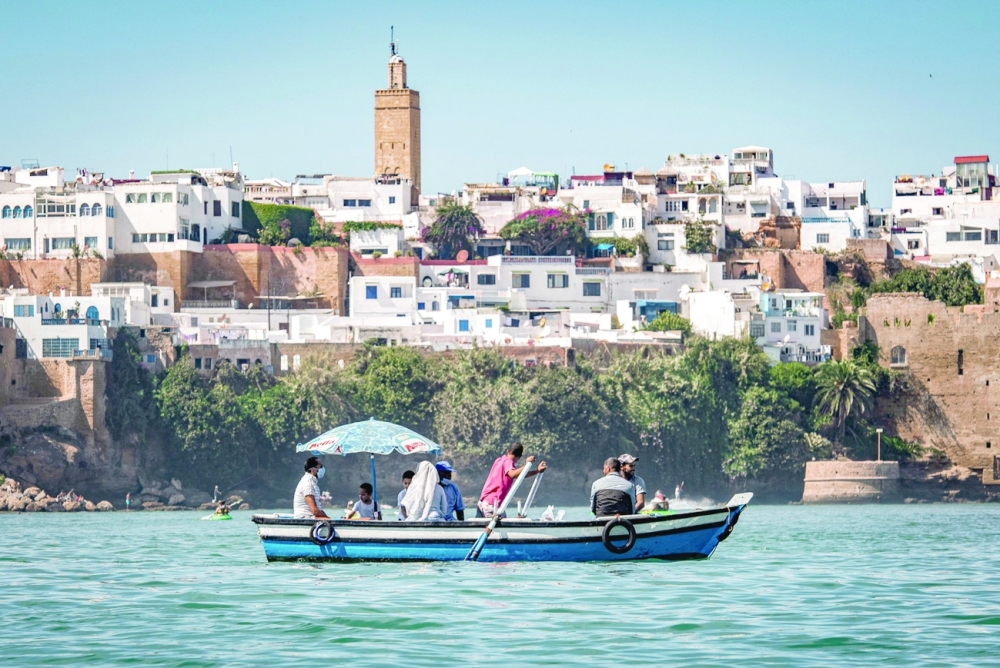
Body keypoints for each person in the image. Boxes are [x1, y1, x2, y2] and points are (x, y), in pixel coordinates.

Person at [477, 443, 546, 518]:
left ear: (507, 451)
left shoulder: (499, 460)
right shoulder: (508, 462)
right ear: (519, 457)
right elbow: (513, 474)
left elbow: (521, 475)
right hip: (492, 504)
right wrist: (528, 464)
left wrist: (537, 471)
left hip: (483, 502)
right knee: (500, 523)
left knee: (483, 527)